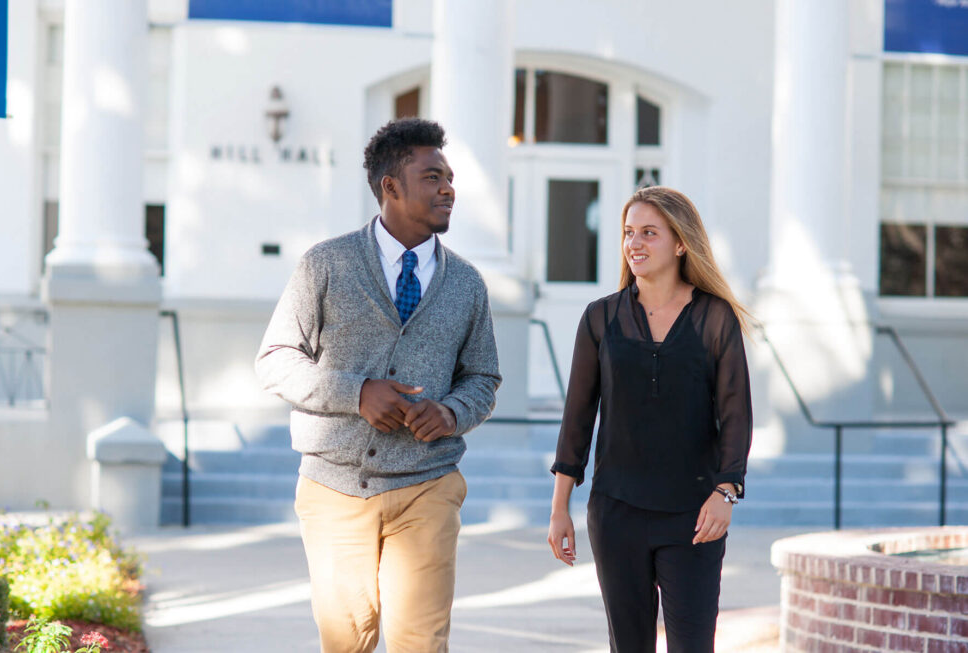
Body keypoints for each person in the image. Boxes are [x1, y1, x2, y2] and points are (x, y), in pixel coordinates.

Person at [256, 118, 501, 653]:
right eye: (433, 176)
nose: (448, 189)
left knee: (421, 640)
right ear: (390, 186)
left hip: (427, 483)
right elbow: (274, 360)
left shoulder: (466, 283)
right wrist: (357, 393)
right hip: (334, 486)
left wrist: (452, 413)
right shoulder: (327, 264)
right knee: (347, 640)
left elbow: (482, 376)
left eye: (450, 177)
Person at [547, 186, 753, 652]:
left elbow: (736, 412)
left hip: (694, 516)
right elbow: (577, 417)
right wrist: (560, 508)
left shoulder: (715, 318)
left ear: (681, 242)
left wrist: (726, 491)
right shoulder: (600, 318)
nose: (634, 243)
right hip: (617, 512)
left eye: (648, 233)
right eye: (627, 233)